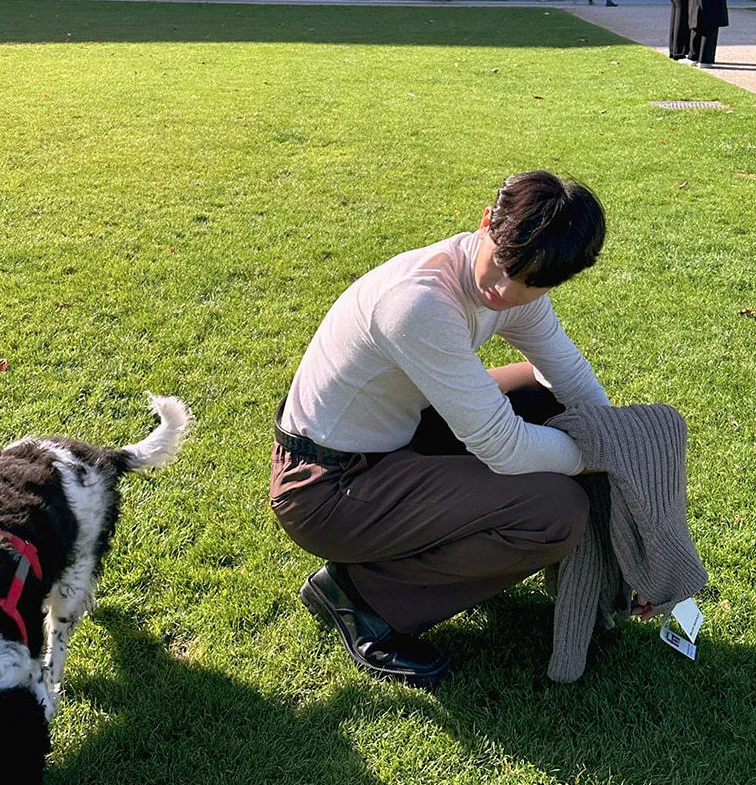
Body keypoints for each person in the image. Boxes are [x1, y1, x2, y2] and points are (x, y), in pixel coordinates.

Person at [270, 170, 636, 688]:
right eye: (505, 265)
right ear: (486, 221)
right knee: (556, 514)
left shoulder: (518, 290)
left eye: (533, 282)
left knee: (550, 397)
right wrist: (591, 456)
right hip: (326, 489)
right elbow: (502, 447)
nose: (505, 290)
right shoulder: (419, 302)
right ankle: (363, 596)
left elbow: (570, 378)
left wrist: (622, 461)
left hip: (394, 438)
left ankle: (429, 547)